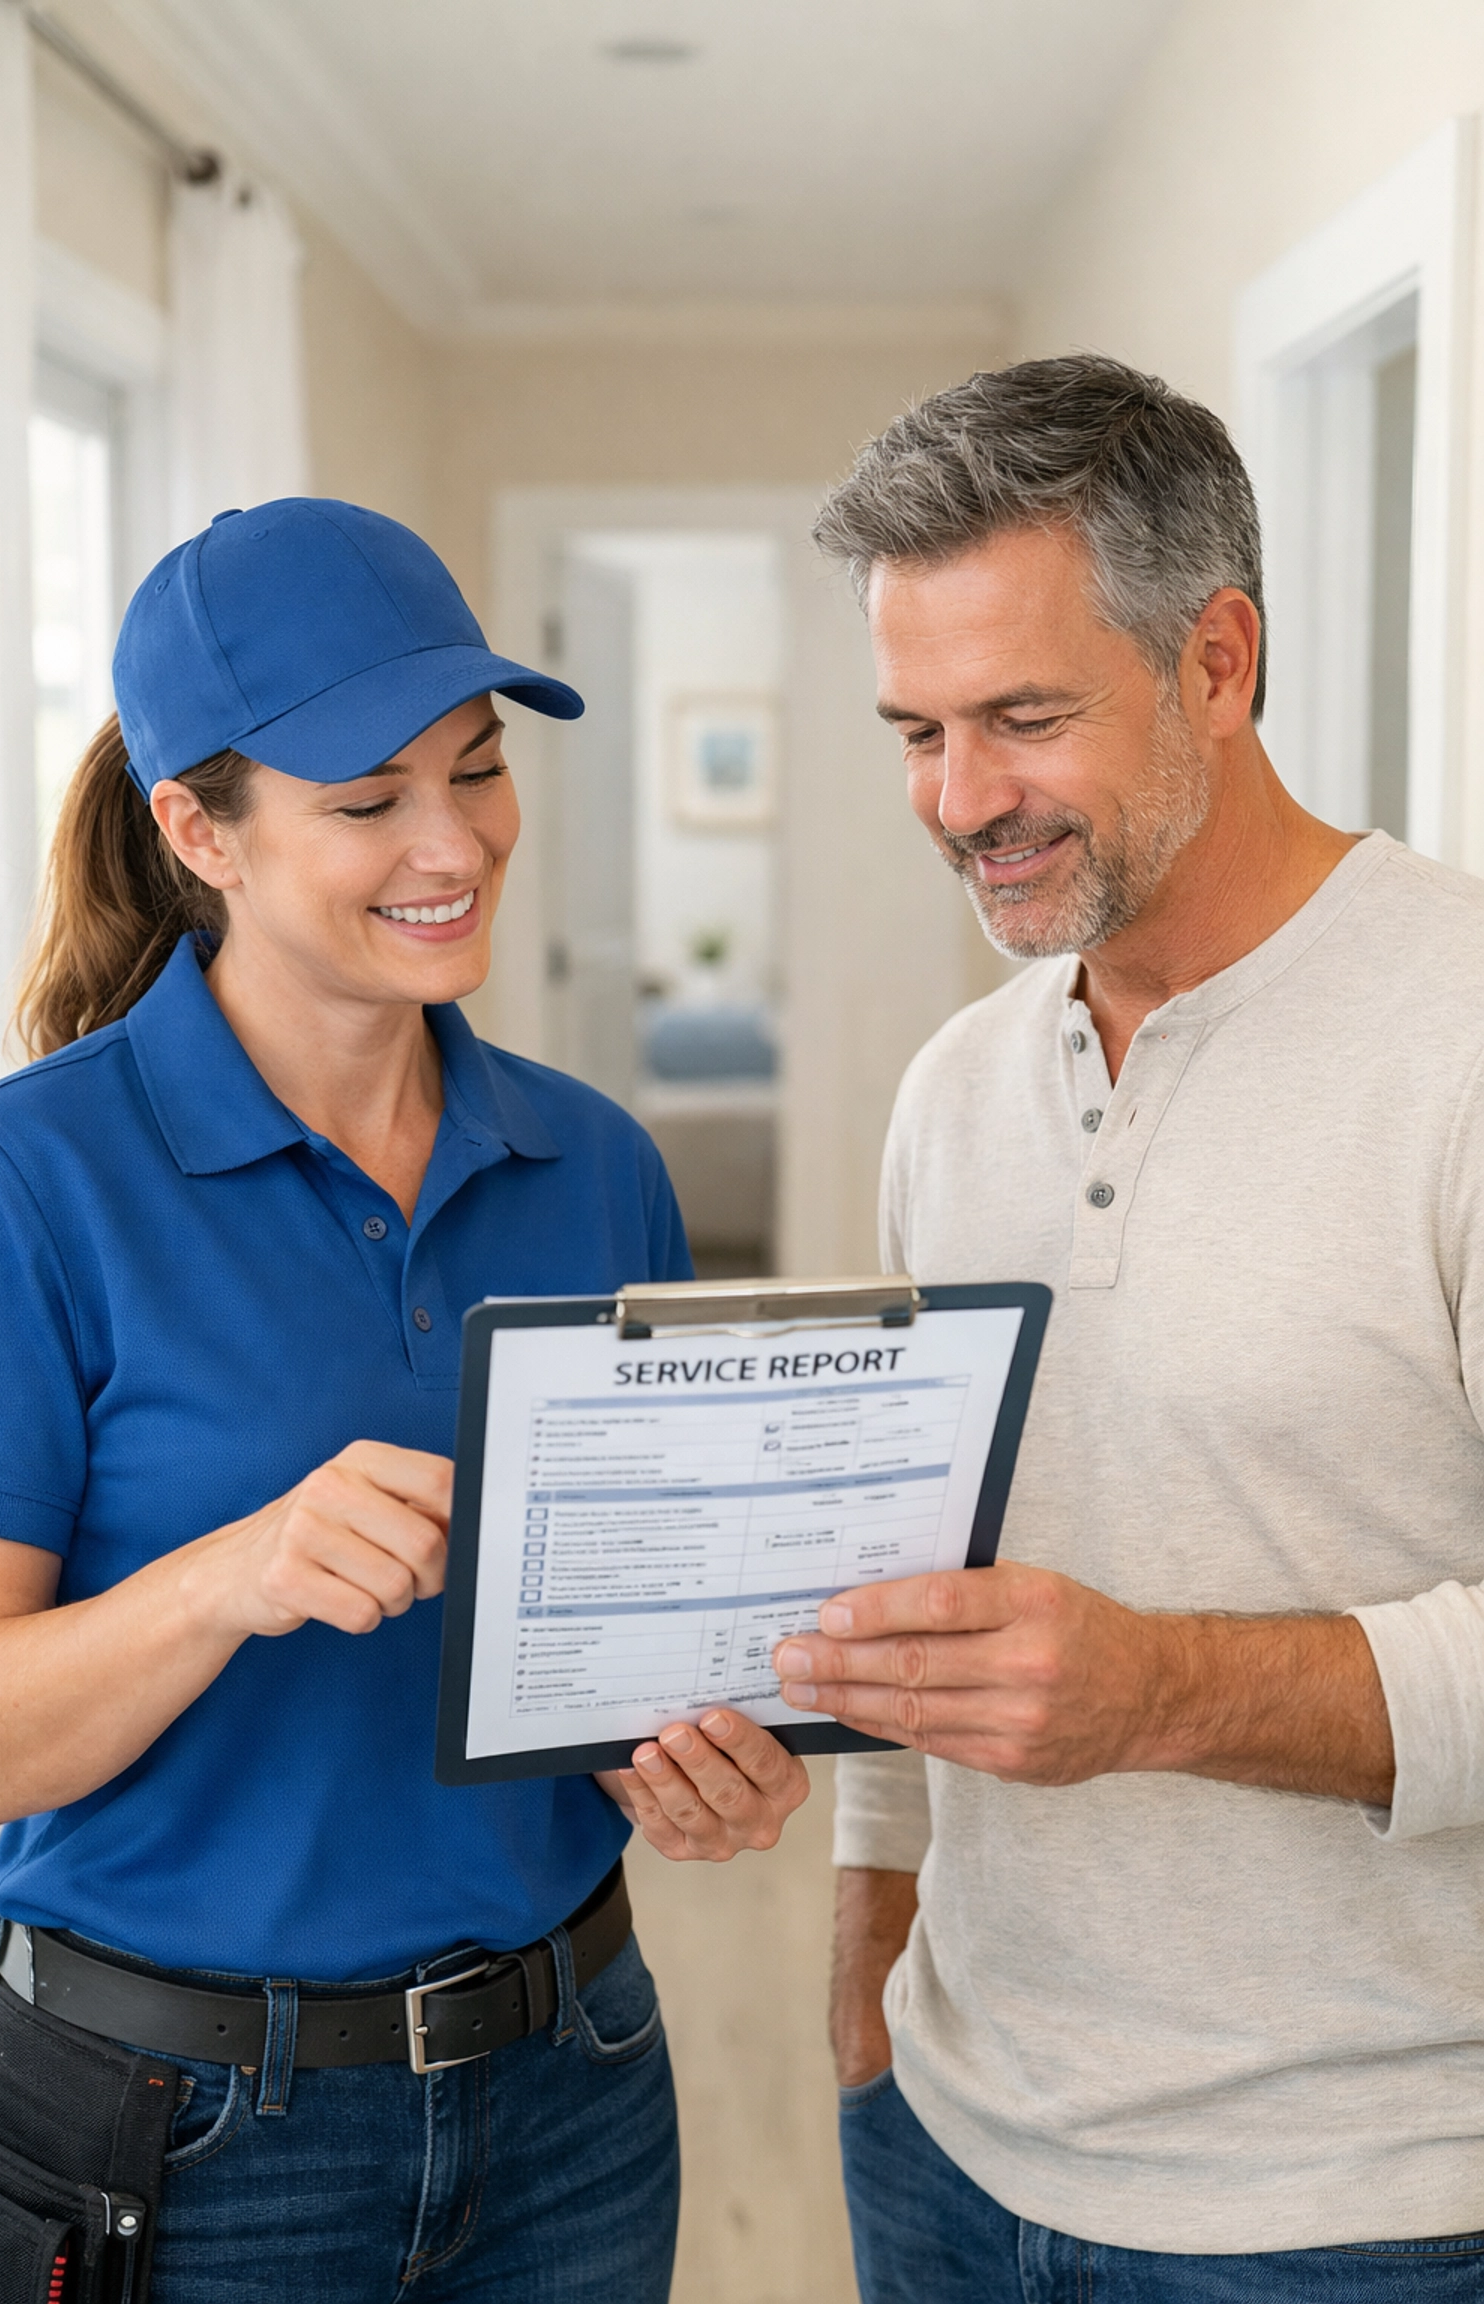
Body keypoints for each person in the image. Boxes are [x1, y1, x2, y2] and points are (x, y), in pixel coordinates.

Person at [0, 498, 807, 2302]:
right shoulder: (23, 1185)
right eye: (366, 802)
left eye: (478, 770)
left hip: (572, 2090)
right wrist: (229, 1577)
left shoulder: (599, 1167)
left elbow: (616, 1655)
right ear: (200, 830)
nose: (455, 844)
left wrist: (695, 1771)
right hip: (177, 2144)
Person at [773, 357, 1484, 2298]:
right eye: (914, 729)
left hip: (1363, 2213)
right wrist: (868, 1952)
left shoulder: (1461, 1039)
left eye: (1022, 718)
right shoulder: (952, 1091)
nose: (959, 800)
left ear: (1220, 661)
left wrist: (1160, 1690)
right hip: (948, 2141)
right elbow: (923, 1558)